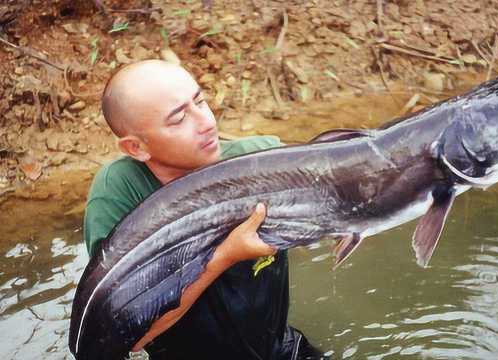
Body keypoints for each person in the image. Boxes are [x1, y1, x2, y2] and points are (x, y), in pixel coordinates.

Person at [83, 59, 324, 359]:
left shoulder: (260, 158)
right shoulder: (120, 194)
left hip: (279, 350)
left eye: (200, 101)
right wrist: (223, 256)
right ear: (136, 147)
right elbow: (124, 335)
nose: (207, 122)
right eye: (179, 118)